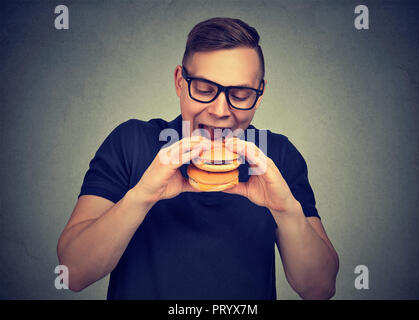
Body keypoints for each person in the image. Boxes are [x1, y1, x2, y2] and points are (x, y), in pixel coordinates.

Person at [57, 17, 339, 300]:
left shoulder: (277, 155)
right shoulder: (131, 142)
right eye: (204, 89)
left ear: (259, 94)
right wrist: (141, 196)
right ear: (180, 82)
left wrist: (286, 210)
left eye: (240, 95)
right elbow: (74, 273)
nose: (220, 110)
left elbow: (320, 289)